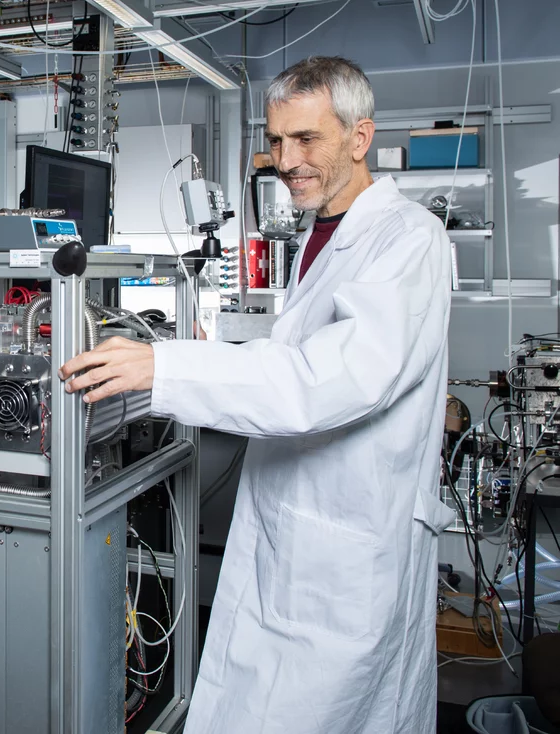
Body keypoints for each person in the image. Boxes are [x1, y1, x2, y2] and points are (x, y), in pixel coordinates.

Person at [59, 57, 455, 733]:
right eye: (275, 141)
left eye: (306, 140)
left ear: (360, 138)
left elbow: (326, 379)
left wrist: (166, 367)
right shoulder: (318, 236)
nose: (285, 160)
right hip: (294, 530)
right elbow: (293, 358)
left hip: (347, 552)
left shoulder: (408, 239)